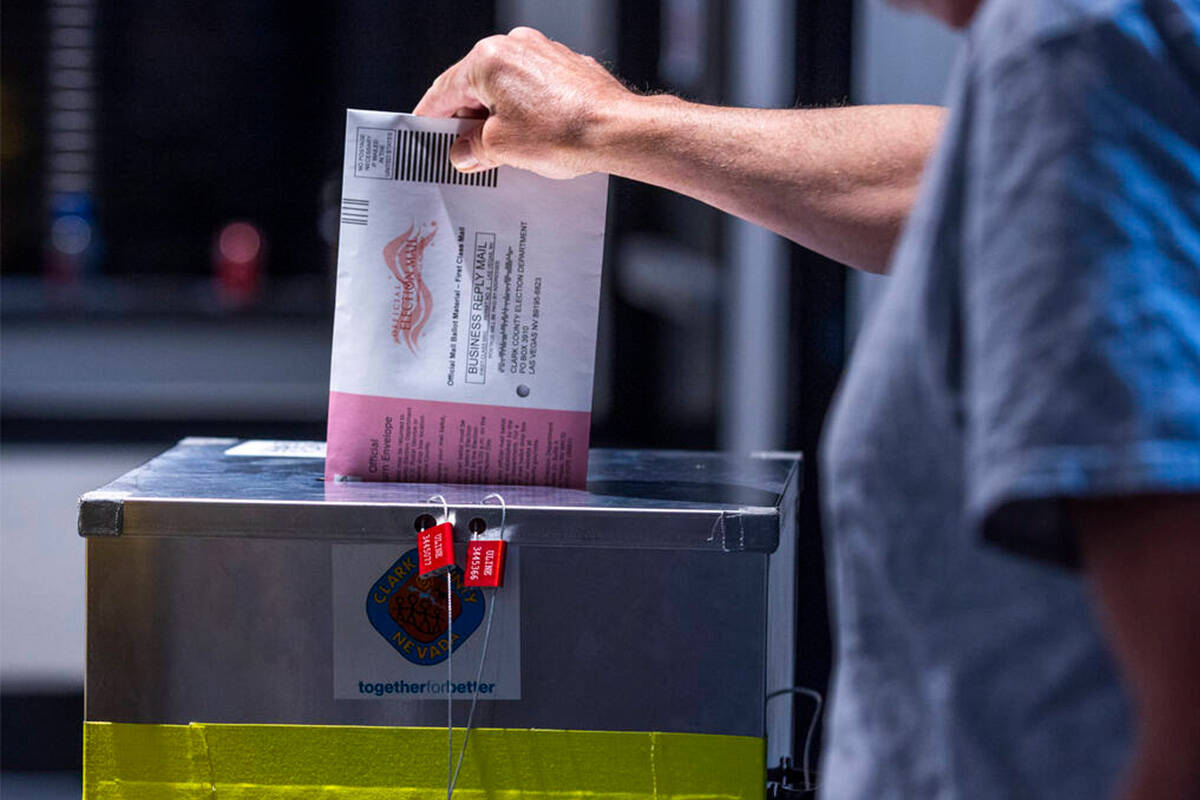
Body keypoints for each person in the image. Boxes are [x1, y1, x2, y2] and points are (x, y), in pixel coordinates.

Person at [415, 1, 1200, 797]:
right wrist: (605, 124)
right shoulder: (1098, 58)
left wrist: (605, 125)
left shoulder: (1078, 39)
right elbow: (961, 172)